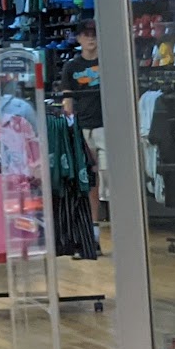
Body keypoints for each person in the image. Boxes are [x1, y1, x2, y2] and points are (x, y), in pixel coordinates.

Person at [69, 19, 105, 230]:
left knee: (109, 177)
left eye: (94, 34)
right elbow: (67, 101)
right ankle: (93, 226)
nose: (91, 38)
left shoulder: (108, 63)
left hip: (106, 126)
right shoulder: (71, 67)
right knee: (90, 179)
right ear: (79, 38)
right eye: (86, 34)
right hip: (83, 128)